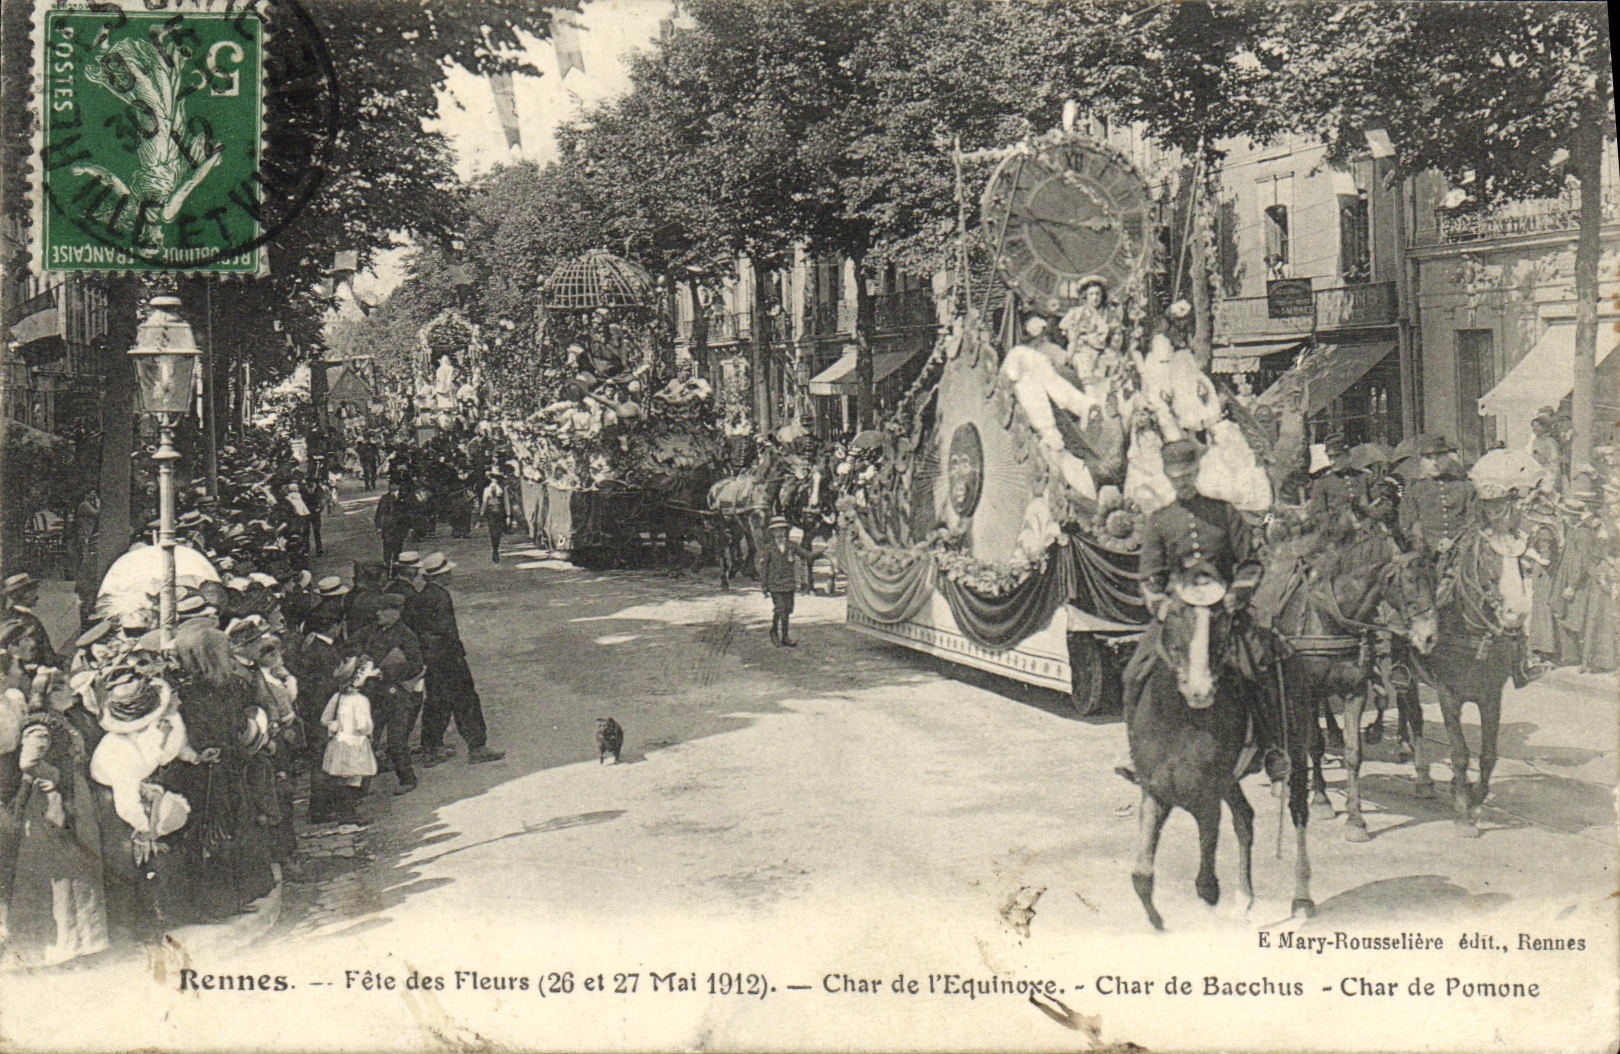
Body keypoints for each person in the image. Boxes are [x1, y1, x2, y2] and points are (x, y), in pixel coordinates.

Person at [1117, 439, 1268, 782]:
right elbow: (1150, 576)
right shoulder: (1159, 521)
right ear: (1167, 477)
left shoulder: (1225, 513)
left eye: (1187, 475)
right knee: (1133, 673)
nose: (1182, 482)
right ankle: (1134, 751)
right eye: (1175, 477)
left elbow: (1250, 564)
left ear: (1197, 471)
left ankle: (1269, 747)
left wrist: (1237, 594)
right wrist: (1160, 603)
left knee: (1258, 667)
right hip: (1179, 616)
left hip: (1224, 613)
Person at [411, 554, 503, 765]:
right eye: (448, 572)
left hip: (432, 657)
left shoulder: (423, 595)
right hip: (448, 656)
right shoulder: (441, 596)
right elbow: (447, 630)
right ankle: (477, 747)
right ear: (440, 575)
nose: (451, 575)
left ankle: (431, 746)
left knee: (437, 701)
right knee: (466, 699)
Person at [351, 591, 424, 795]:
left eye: (383, 610)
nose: (378, 613)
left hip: (396, 694)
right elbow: (353, 642)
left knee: (396, 741)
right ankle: (360, 788)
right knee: (367, 739)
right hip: (373, 694)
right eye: (378, 609)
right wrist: (361, 656)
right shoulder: (373, 630)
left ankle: (407, 779)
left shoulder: (406, 635)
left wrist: (386, 672)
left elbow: (416, 666)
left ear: (396, 612)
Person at [1399, 435, 1474, 560]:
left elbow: (1473, 519)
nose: (1434, 463)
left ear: (1448, 459)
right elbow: (1409, 524)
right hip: (1427, 553)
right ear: (1421, 461)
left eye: (1439, 457)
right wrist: (1433, 545)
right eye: (1428, 458)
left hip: (1462, 549)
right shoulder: (1414, 489)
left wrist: (1456, 541)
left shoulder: (1464, 486)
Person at [760, 516, 810, 647]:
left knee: (787, 609)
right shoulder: (768, 548)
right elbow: (764, 568)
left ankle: (785, 637)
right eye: (776, 530)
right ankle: (775, 632)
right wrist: (764, 586)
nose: (780, 533)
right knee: (780, 608)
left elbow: (807, 555)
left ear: (786, 531)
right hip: (774, 584)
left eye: (782, 530)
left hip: (789, 583)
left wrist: (823, 552)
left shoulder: (791, 545)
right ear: (772, 533)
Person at [2, 573, 59, 668]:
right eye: (31, 591)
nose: (36, 596)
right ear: (20, 594)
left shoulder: (16, 616)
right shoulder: (21, 620)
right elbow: (46, 655)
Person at [375, 476, 410, 572]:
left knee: (398, 548)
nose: (390, 486)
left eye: (393, 484)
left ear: (398, 486)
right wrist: (378, 527)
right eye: (390, 484)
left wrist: (409, 526)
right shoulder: (384, 498)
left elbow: (409, 513)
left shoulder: (404, 497)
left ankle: (396, 569)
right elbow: (379, 513)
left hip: (400, 527)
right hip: (387, 527)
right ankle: (387, 568)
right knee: (387, 548)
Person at [478, 468, 513, 563]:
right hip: (491, 513)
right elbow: (484, 503)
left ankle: (496, 547)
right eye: (493, 477)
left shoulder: (502, 489)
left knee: (499, 532)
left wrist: (508, 515)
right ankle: (495, 550)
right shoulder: (487, 489)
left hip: (500, 512)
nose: (495, 479)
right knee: (493, 532)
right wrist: (481, 515)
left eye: (496, 478)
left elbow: (506, 502)